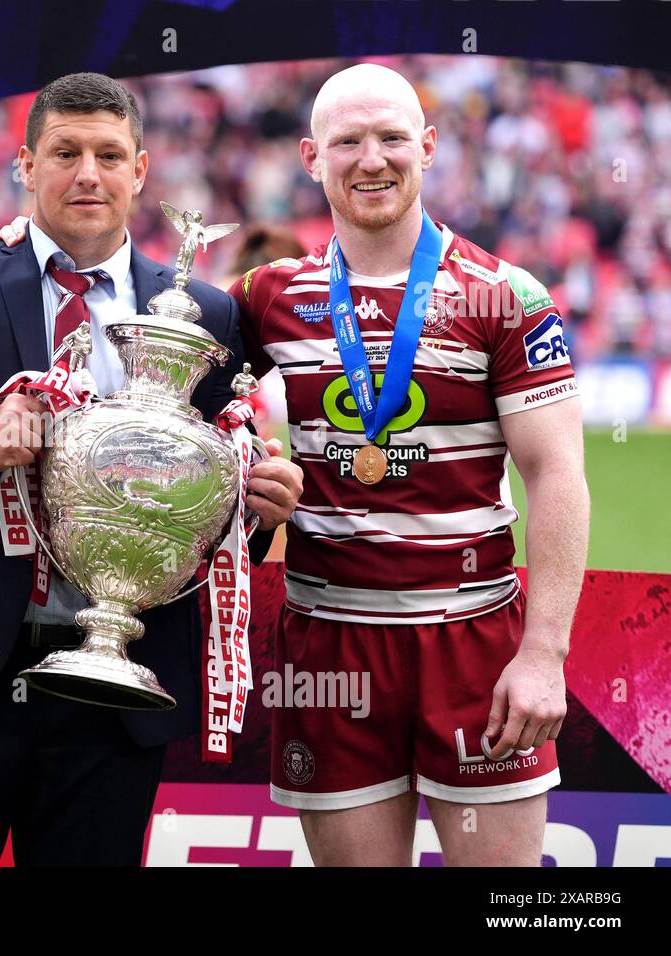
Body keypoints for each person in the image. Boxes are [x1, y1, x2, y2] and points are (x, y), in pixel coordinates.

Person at [0, 72, 303, 866]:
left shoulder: (206, 315)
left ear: (141, 170)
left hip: (119, 686)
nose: (88, 173)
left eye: (108, 154)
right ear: (25, 163)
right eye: (65, 152)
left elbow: (210, 513)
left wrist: (258, 506)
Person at [234, 64, 587, 865]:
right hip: (328, 644)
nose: (372, 159)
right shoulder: (265, 297)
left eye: (392, 137)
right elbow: (156, 347)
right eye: (347, 141)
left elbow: (557, 476)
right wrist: (17, 238)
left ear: (426, 147)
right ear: (309, 157)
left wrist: (544, 654)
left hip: (473, 641)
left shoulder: (508, 297)